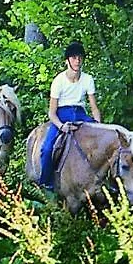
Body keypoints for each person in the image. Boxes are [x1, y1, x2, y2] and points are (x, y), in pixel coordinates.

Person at [37, 41, 102, 190]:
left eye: (79, 57)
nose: (77, 60)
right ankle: (46, 183)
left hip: (80, 114)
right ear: (67, 61)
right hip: (62, 114)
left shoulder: (88, 79)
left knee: (102, 143)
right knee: (47, 149)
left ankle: (102, 181)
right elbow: (51, 113)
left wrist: (98, 125)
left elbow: (94, 108)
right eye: (73, 58)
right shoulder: (58, 81)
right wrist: (61, 126)